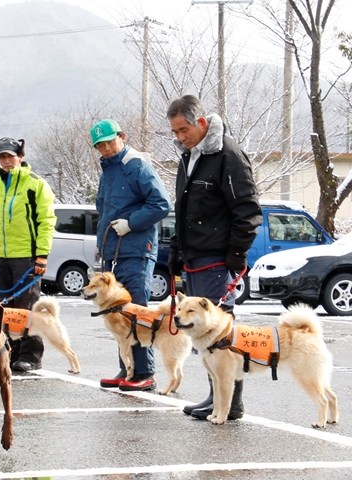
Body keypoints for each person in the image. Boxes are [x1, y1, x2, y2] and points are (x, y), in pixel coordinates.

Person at [166, 94, 262, 420]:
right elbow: (182, 212)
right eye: (175, 132)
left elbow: (247, 208)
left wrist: (237, 252)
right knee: (204, 337)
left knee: (220, 335)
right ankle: (216, 397)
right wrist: (176, 251)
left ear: (202, 122)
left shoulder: (227, 155)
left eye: (184, 129)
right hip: (194, 258)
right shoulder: (188, 157)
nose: (180, 137)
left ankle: (230, 403)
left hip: (218, 259)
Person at [91, 119, 171, 392]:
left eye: (110, 142)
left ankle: (145, 371)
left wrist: (132, 223)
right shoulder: (108, 170)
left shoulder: (136, 165)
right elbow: (104, 211)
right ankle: (128, 368)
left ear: (122, 137)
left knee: (135, 309)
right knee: (117, 311)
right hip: (114, 252)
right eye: (100, 145)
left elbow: (161, 203)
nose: (106, 149)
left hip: (137, 250)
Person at [0, 137, 57, 372]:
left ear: (21, 157)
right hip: (4, 256)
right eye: (3, 157)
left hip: (27, 256)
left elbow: (46, 220)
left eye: (11, 156)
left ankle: (31, 355)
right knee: (5, 307)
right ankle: (11, 350)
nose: (7, 161)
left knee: (28, 307)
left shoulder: (35, 183)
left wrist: (42, 255)